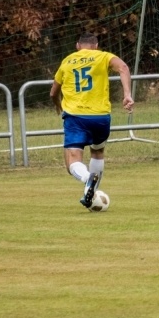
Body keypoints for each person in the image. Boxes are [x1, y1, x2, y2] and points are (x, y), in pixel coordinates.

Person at [50, 32, 134, 209]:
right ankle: (91, 191)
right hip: (101, 117)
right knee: (97, 152)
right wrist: (127, 94)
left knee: (72, 162)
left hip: (75, 116)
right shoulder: (103, 56)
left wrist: (57, 104)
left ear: (77, 46)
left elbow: (53, 92)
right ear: (96, 46)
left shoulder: (67, 61)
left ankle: (88, 179)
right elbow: (123, 67)